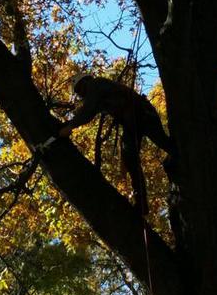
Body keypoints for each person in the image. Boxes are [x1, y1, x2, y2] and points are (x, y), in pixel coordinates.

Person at [59, 73, 173, 215]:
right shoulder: (101, 92)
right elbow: (90, 110)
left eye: (80, 90)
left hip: (139, 114)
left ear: (85, 82)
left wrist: (71, 126)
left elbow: (88, 110)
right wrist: (69, 124)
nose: (82, 95)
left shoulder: (96, 84)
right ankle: (142, 202)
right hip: (139, 116)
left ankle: (143, 201)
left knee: (139, 152)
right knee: (133, 155)